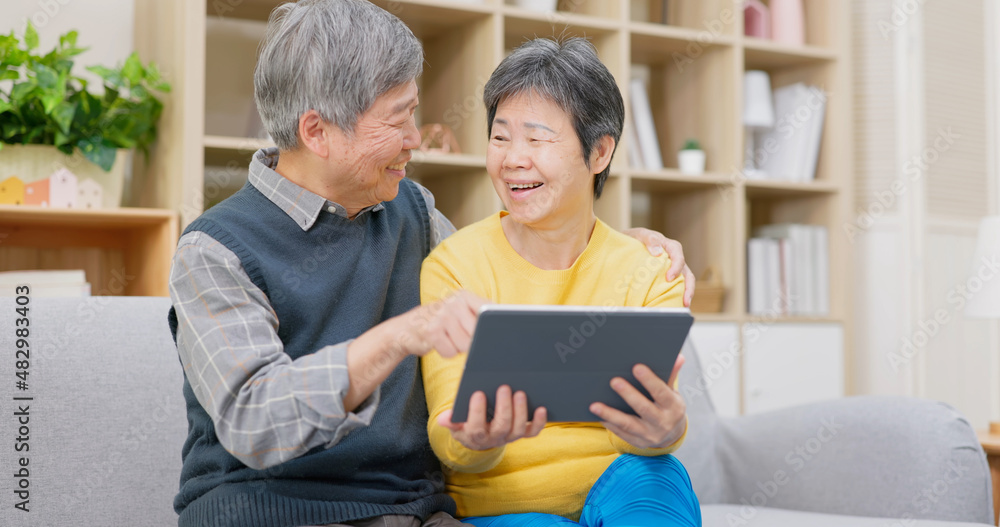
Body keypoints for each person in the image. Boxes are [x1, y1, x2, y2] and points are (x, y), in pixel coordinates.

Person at [167, 1, 695, 526]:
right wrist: (398, 336)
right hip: (270, 513)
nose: (415, 140)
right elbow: (256, 421)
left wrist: (621, 245)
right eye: (398, 120)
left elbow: (515, 247)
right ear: (317, 132)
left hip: (414, 512)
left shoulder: (412, 213)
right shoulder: (215, 250)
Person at [420, 38, 702, 526]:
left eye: (537, 138)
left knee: (658, 479)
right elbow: (448, 435)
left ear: (599, 153)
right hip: (503, 500)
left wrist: (667, 430)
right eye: (500, 136)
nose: (512, 159)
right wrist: (472, 438)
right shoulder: (454, 265)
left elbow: (645, 427)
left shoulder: (652, 269)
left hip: (623, 479)